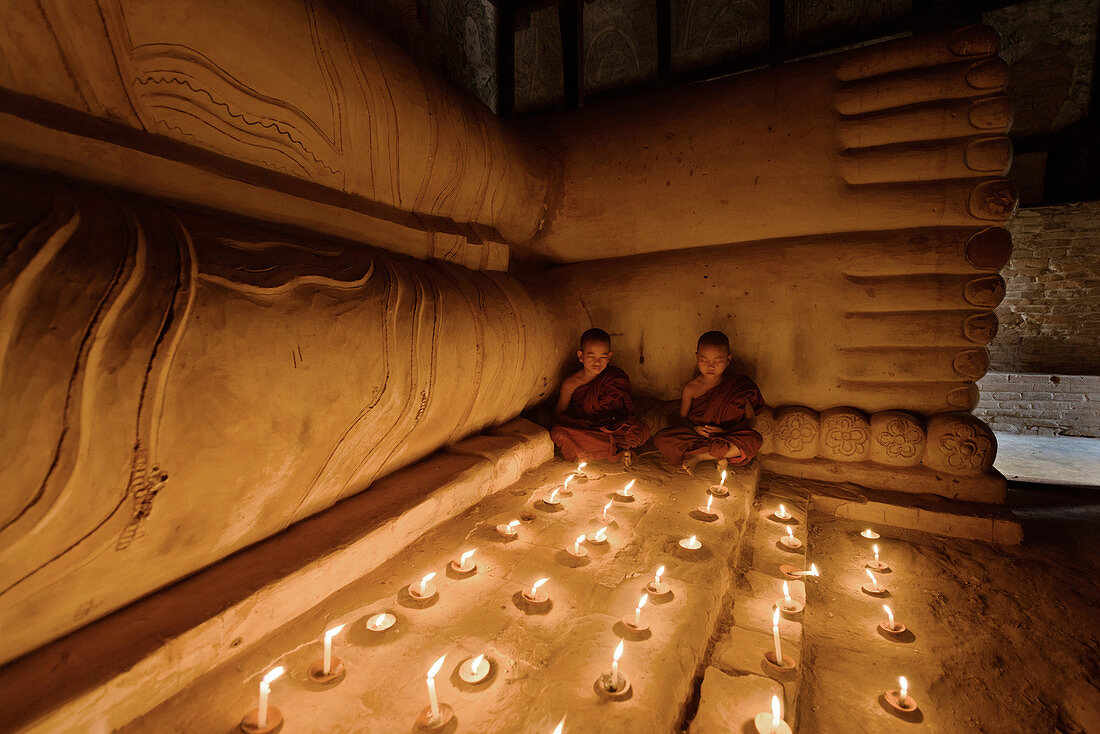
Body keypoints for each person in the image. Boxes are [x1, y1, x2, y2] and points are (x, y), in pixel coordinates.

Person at [652, 330, 765, 474]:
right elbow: (682, 418)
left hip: (728, 435)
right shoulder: (690, 388)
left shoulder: (739, 386)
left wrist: (725, 431)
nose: (710, 366)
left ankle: (699, 458)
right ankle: (721, 456)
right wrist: (694, 429)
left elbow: (751, 421)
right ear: (697, 357)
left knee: (754, 439)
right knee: (661, 438)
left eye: (717, 361)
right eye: (704, 360)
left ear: (728, 360)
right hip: (699, 437)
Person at [549, 328, 650, 466]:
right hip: (586, 428)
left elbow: (625, 411)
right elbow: (558, 414)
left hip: (611, 428)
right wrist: (578, 423)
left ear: (609, 357)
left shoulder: (614, 378)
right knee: (558, 433)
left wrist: (614, 424)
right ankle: (615, 450)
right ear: (580, 356)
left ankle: (599, 450)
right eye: (591, 357)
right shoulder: (570, 383)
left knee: (639, 431)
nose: (597, 362)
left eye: (602, 357)